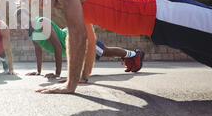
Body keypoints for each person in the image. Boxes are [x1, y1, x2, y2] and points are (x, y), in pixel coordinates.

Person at [16, 0, 212, 94]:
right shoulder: (73, 5)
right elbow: (89, 39)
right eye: (35, 3)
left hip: (163, 12)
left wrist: (71, 85)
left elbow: (76, 37)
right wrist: (83, 77)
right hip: (160, 29)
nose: (40, 1)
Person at [16, 8, 144, 82]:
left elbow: (57, 46)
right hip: (71, 43)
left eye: (24, 18)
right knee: (104, 52)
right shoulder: (31, 33)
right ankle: (131, 56)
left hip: (75, 36)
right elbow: (38, 50)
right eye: (20, 21)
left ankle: (135, 54)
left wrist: (57, 73)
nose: (23, 22)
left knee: (105, 51)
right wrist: (38, 72)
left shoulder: (41, 22)